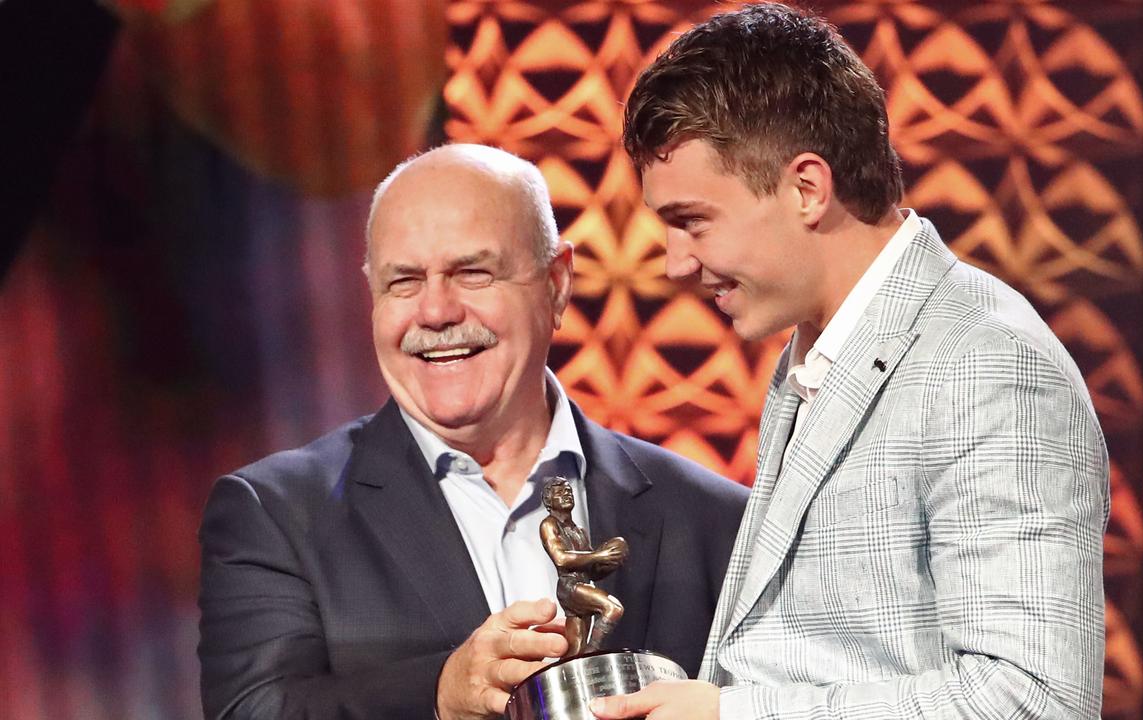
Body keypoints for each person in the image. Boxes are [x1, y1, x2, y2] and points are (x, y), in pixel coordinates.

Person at [591, 4, 1110, 719]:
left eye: (692, 221)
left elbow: (1032, 700)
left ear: (807, 187)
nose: (676, 263)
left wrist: (732, 716)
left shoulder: (989, 368)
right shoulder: (819, 346)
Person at [197, 144, 749, 720]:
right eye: (404, 282)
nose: (435, 312)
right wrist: (438, 694)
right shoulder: (276, 514)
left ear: (557, 284)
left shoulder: (714, 519)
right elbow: (251, 712)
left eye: (473, 272)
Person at [539, 477, 627, 655]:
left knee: (575, 650)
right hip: (570, 586)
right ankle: (592, 653)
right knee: (613, 608)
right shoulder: (549, 524)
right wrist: (599, 555)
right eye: (560, 491)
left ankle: (577, 665)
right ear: (548, 501)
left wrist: (610, 562)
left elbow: (592, 572)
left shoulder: (579, 531)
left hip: (583, 585)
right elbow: (561, 558)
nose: (566, 494)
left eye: (569, 491)